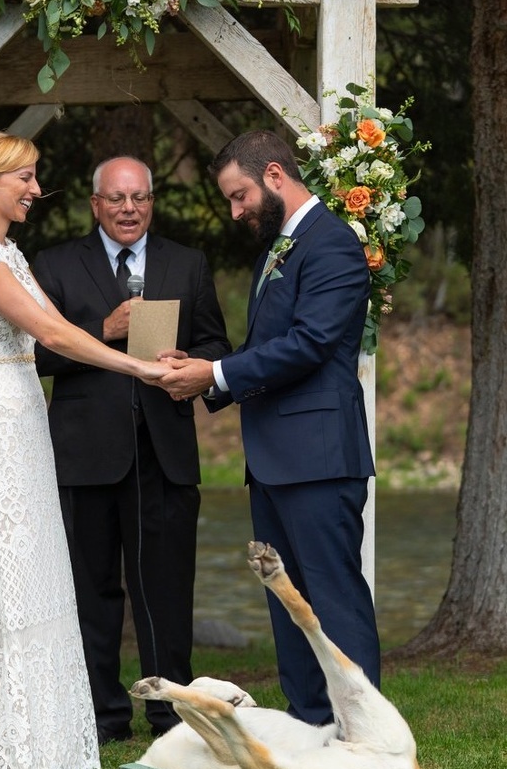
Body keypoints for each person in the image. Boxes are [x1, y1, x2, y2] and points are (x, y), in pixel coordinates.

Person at [0, 134, 168, 769]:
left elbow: (64, 328)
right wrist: (140, 364)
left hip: (29, 413)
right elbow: (54, 335)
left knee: (39, 561)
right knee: (7, 564)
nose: (34, 188)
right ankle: (6, 735)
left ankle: (46, 729)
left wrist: (131, 340)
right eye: (25, 177)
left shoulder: (11, 252)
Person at [159, 131, 380, 726]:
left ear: (276, 175)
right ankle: (311, 725)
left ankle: (363, 736)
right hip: (276, 459)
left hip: (319, 457)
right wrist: (205, 374)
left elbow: (309, 345)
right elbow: (266, 348)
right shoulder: (278, 249)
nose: (235, 212)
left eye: (240, 196)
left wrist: (217, 371)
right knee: (289, 603)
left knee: (333, 599)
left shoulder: (331, 244)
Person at [33, 156, 231, 743]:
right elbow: (37, 357)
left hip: (164, 454)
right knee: (92, 593)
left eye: (140, 198)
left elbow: (216, 342)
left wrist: (189, 362)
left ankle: (173, 716)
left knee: (165, 590)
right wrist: (103, 332)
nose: (129, 209)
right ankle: (101, 716)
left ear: (151, 202)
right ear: (95, 204)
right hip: (85, 456)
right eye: (117, 199)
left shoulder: (188, 264)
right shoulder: (56, 265)